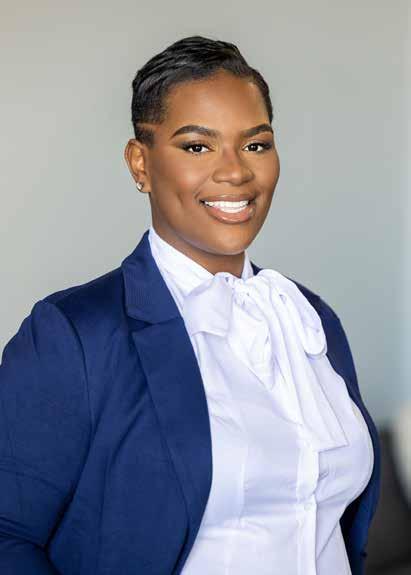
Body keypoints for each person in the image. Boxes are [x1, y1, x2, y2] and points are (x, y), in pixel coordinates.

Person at [0, 35, 380, 575]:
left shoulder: (310, 319)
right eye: (198, 147)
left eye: (256, 145)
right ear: (140, 163)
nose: (235, 172)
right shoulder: (76, 336)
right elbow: (8, 534)